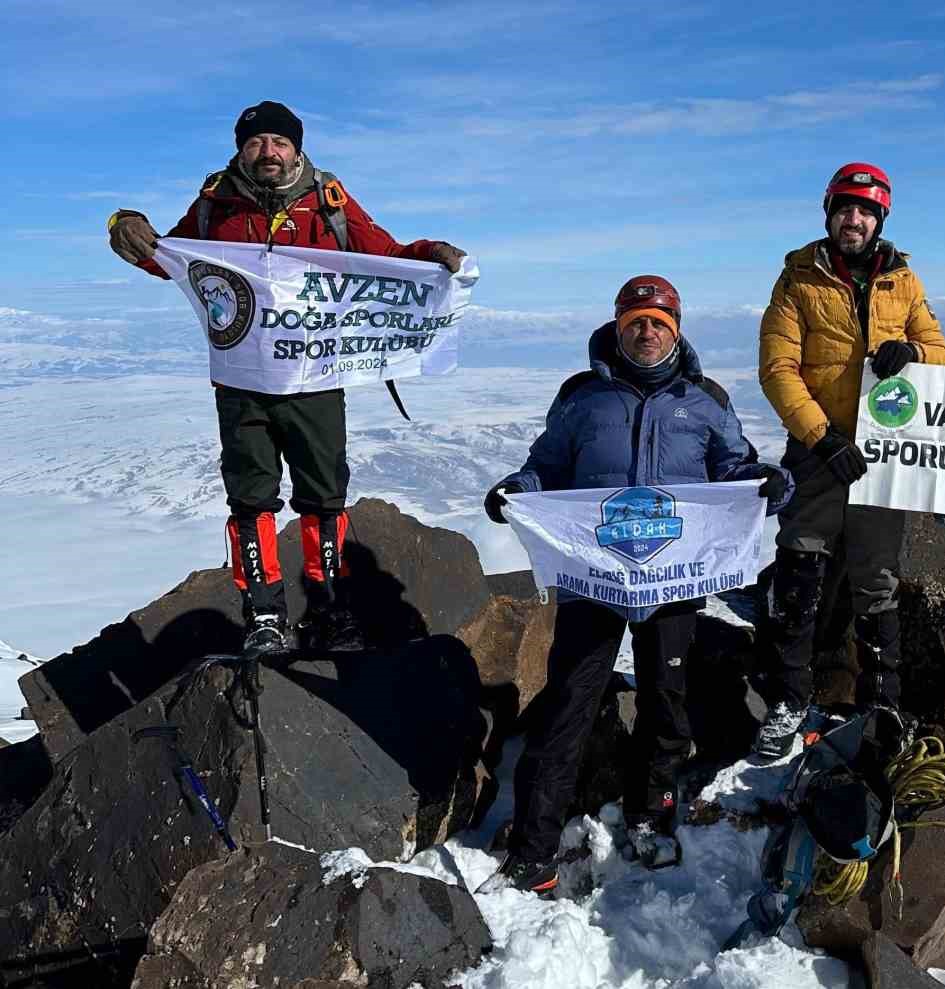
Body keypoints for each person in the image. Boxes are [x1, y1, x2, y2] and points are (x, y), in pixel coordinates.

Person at [106, 100, 466, 659]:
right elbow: (164, 255)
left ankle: (328, 609)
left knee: (324, 500)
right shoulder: (214, 205)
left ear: (296, 148)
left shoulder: (330, 205)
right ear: (240, 149)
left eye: (279, 142)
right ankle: (265, 615)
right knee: (250, 501)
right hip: (242, 383)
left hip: (315, 380)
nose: (267, 152)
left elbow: (388, 256)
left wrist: (430, 255)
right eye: (255, 143)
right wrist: (123, 223)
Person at [479, 276, 792, 896]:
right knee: (568, 704)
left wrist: (766, 482)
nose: (646, 332)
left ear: (676, 328)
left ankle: (651, 817)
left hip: (673, 579)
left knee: (665, 701)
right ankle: (533, 847)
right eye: (636, 321)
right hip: (592, 578)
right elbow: (545, 466)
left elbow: (733, 469)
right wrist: (519, 491)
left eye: (659, 322)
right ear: (618, 326)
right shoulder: (582, 397)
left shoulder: (705, 400)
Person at [753, 162, 945, 759]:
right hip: (819, 453)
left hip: (883, 455)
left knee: (877, 578)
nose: (854, 220)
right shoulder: (798, 279)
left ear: (880, 218)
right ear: (829, 214)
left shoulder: (904, 282)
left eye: (865, 211)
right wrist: (820, 436)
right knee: (800, 568)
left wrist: (911, 351)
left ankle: (882, 700)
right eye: (845, 209)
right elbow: (777, 368)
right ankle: (789, 698)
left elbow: (941, 354)